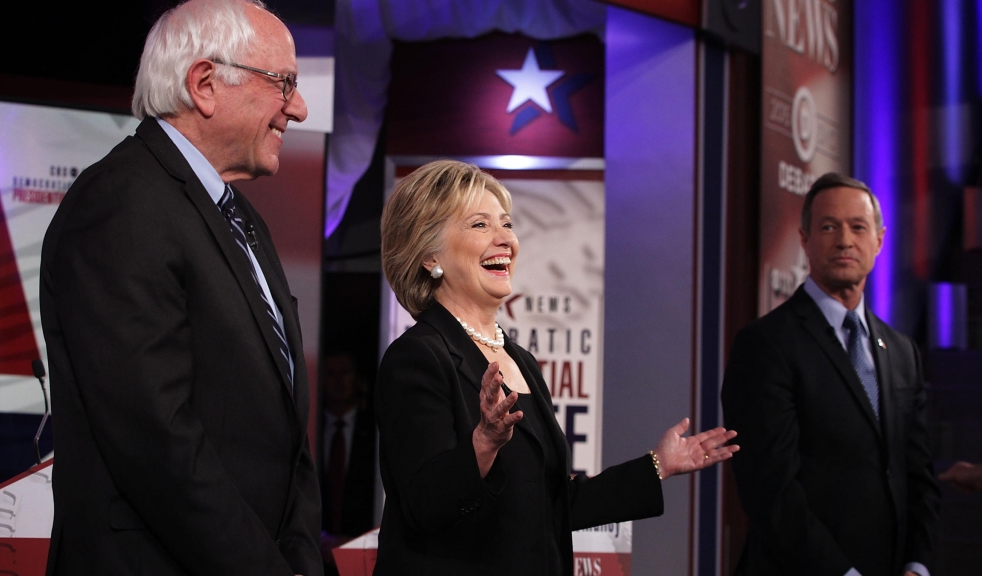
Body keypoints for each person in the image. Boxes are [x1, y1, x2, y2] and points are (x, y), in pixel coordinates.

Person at [39, 1, 321, 574]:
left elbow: (281, 439)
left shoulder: (239, 216)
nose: (298, 107)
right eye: (284, 82)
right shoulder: (121, 203)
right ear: (206, 84)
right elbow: (156, 441)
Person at [374, 159, 739, 575]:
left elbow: (547, 503)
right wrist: (484, 444)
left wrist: (658, 464)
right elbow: (425, 504)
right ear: (428, 255)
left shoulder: (520, 360)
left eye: (507, 224)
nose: (505, 240)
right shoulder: (418, 357)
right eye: (479, 225)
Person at [721, 173, 940, 576]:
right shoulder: (766, 345)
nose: (844, 240)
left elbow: (918, 476)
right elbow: (771, 490)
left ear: (879, 240)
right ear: (804, 240)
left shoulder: (903, 351)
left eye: (858, 227)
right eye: (828, 227)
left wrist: (917, 563)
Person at [319, 352, 377, 575]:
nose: (338, 381)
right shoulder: (309, 429)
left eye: (345, 373)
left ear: (357, 379)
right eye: (331, 374)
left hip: (363, 554)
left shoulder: (375, 432)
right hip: (316, 553)